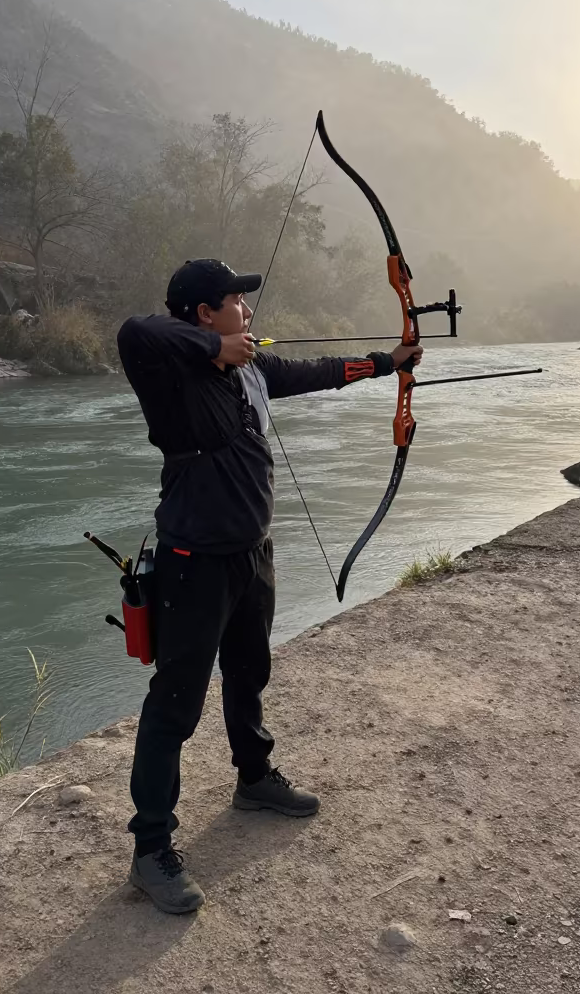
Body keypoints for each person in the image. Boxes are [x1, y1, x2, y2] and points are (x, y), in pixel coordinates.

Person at [117, 257, 423, 913]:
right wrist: (213, 347)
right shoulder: (172, 370)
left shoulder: (250, 370)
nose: (248, 312)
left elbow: (320, 373)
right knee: (174, 704)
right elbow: (136, 331)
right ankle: (150, 852)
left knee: (249, 673)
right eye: (235, 302)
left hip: (251, 555)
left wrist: (389, 361)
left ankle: (254, 779)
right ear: (205, 314)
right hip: (191, 561)